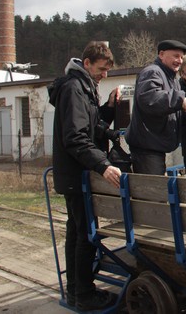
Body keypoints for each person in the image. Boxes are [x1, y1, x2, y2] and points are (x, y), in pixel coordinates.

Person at [48, 41, 122, 311]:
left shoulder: (83, 86)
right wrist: (102, 165)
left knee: (78, 231)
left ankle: (76, 291)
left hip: (76, 172)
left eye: (107, 72)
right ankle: (85, 295)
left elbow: (90, 125)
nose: (104, 75)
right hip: (77, 173)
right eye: (101, 70)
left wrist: (110, 109)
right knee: (85, 234)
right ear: (87, 63)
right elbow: (76, 138)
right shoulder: (73, 88)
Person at [125, 40, 186, 175]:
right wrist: (180, 100)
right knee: (152, 191)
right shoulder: (152, 72)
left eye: (181, 57)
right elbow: (149, 98)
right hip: (147, 147)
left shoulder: (172, 79)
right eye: (176, 56)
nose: (179, 60)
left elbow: (170, 108)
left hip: (156, 145)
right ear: (161, 54)